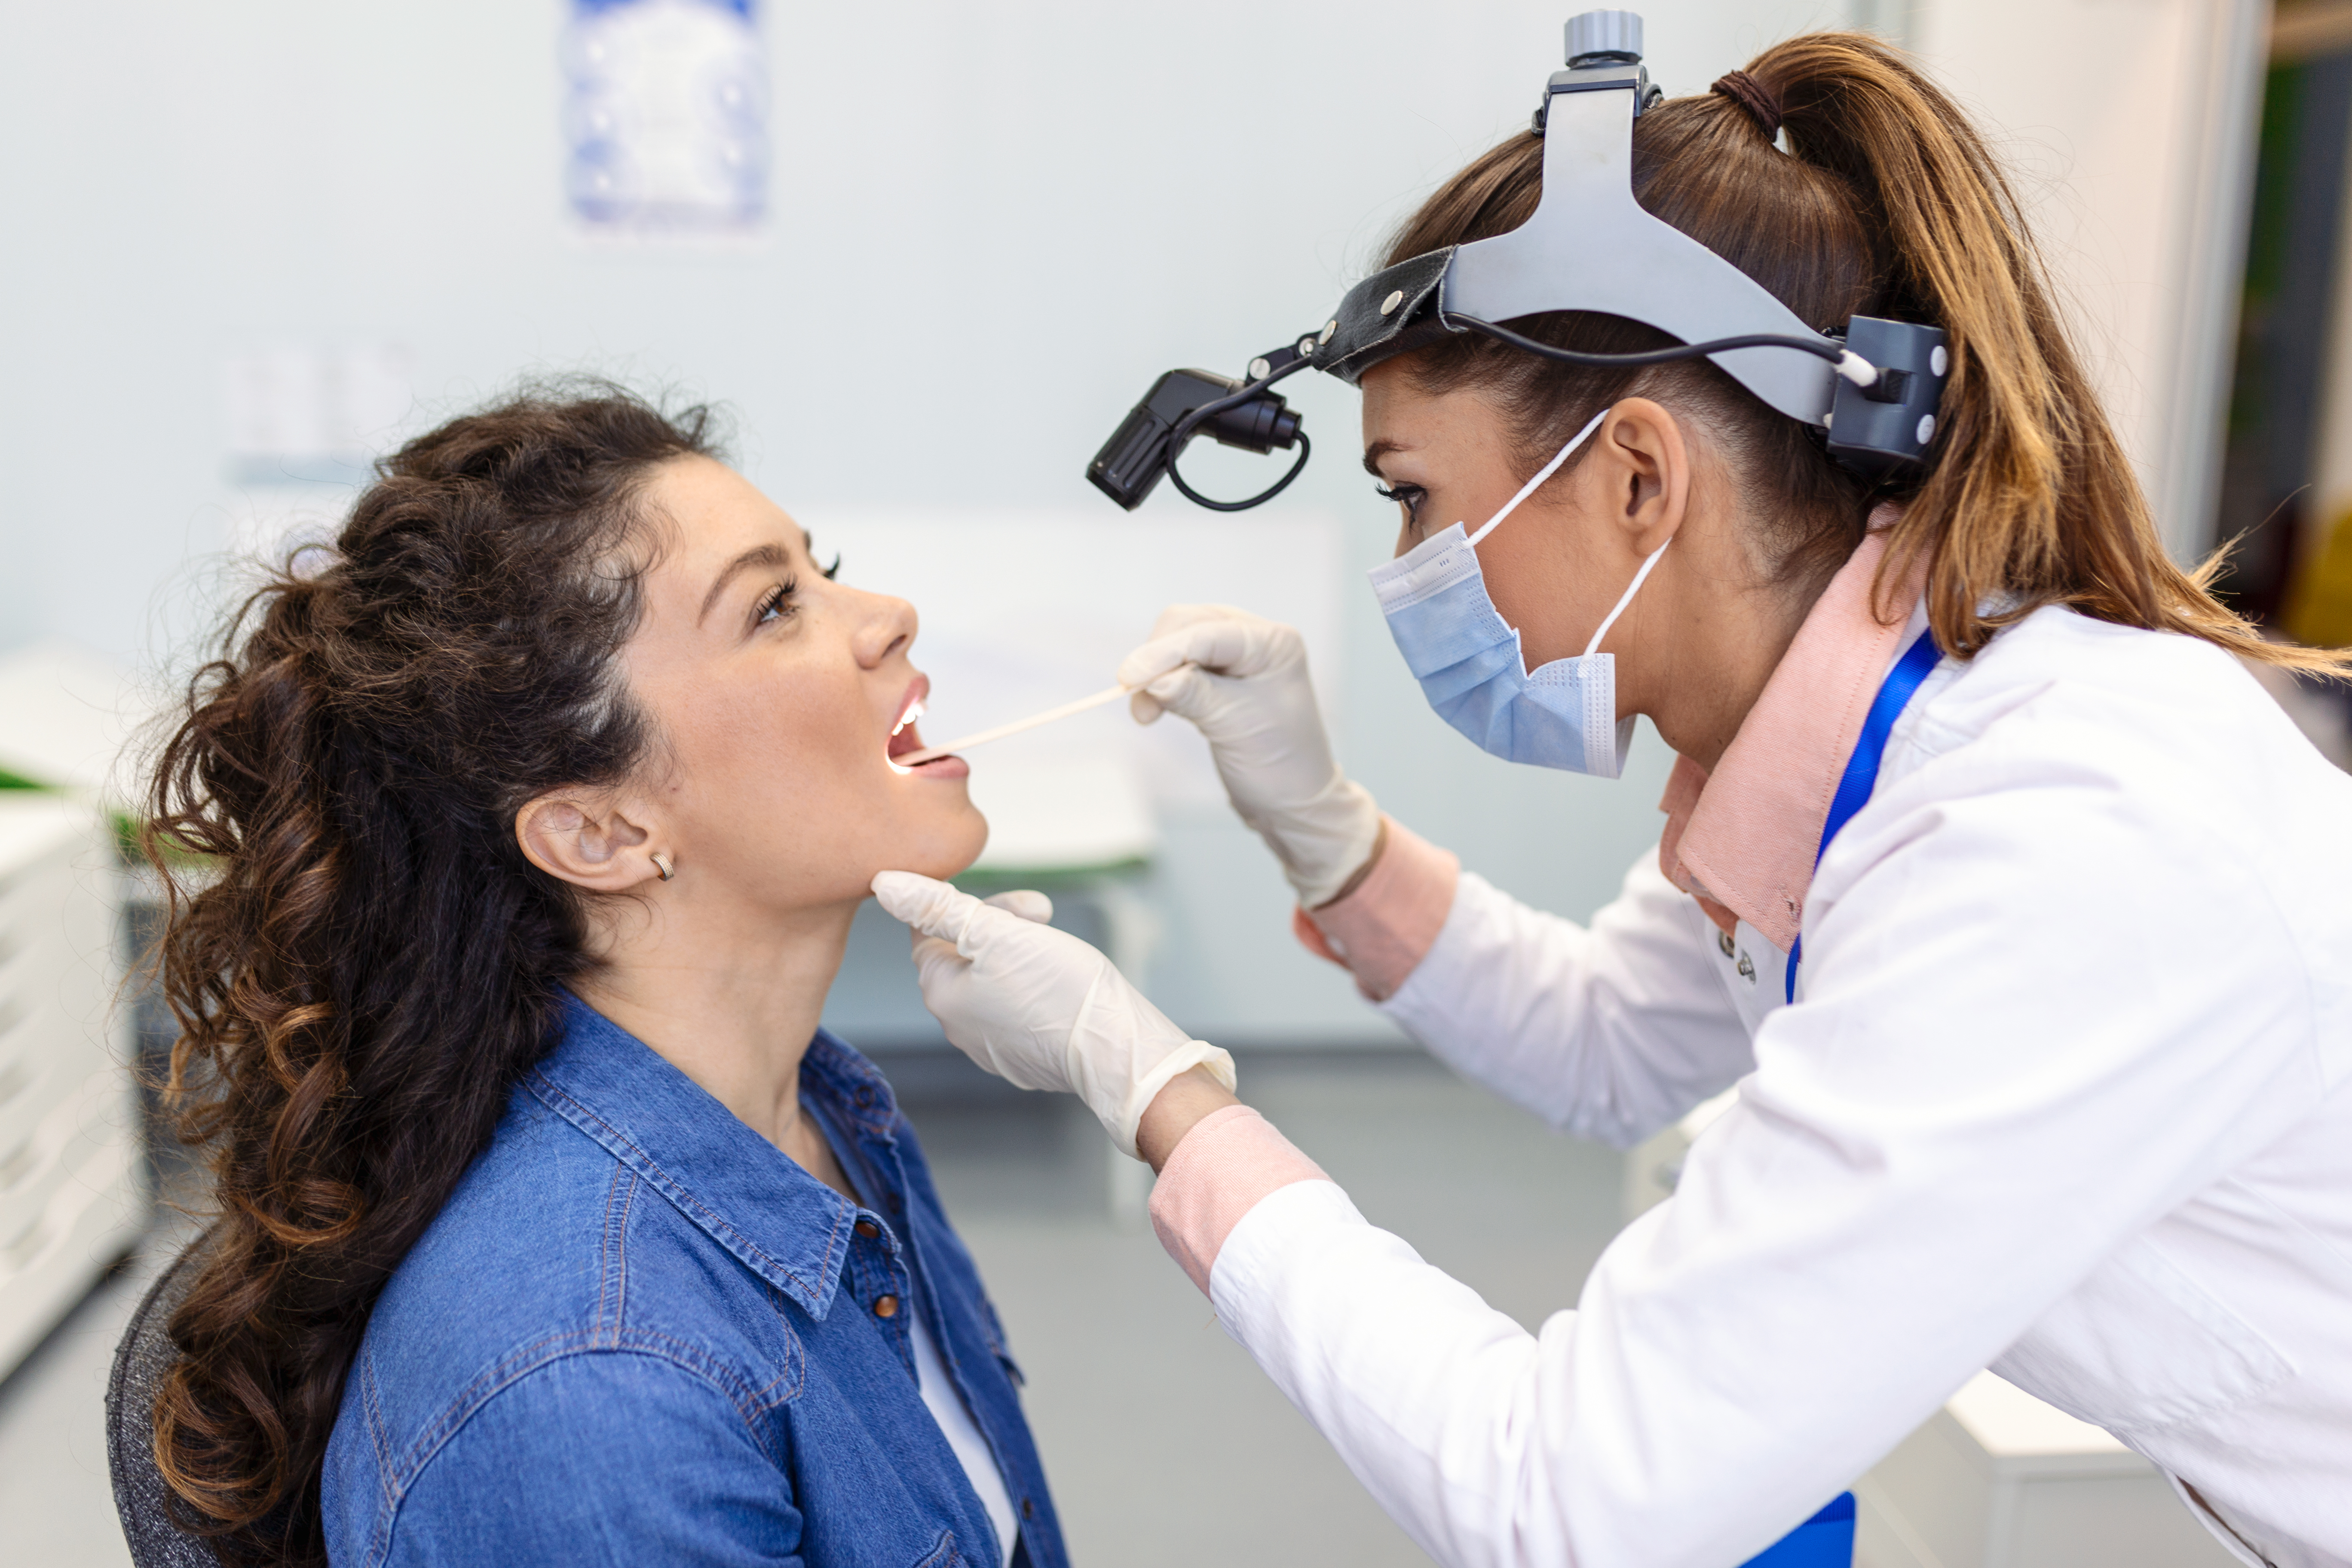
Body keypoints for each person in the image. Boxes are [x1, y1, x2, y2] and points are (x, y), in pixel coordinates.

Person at [870, 33, 2352, 1568]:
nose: (1407, 573)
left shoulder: (2047, 841)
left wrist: (1156, 1091)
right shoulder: (1848, 741)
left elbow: (1569, 1501)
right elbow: (1612, 1038)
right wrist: (1320, 826)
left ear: (1639, 477)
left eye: (1415, 498)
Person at [143, 386, 1108, 1567]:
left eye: (823, 569)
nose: (890, 615)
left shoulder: (825, 1114)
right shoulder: (596, 1387)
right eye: (773, 607)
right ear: (600, 834)